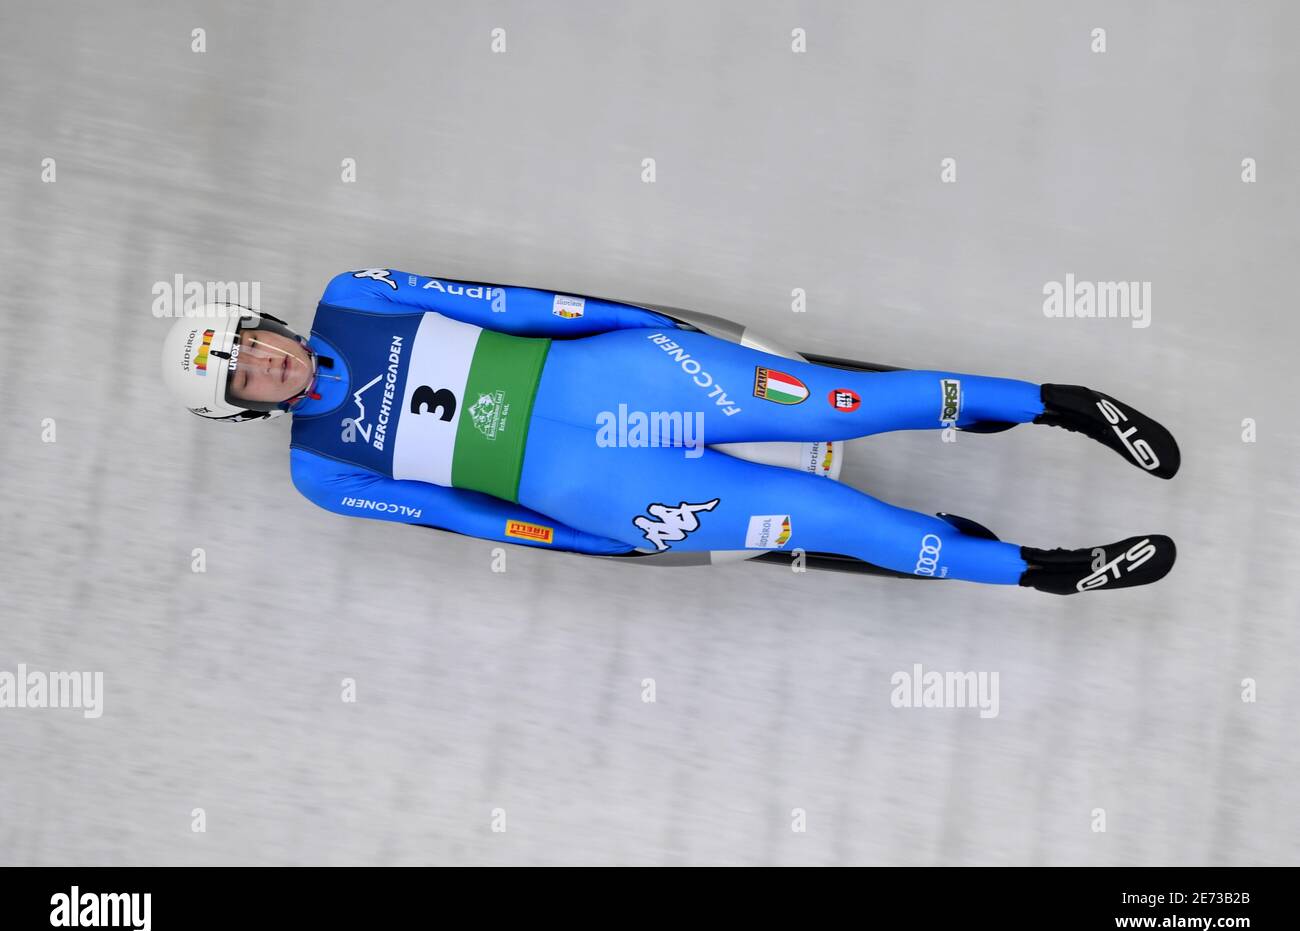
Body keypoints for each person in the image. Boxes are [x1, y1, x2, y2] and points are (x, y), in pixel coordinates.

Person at [160, 269, 1180, 594]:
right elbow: (465, 516)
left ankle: (1062, 401)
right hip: (590, 491)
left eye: (254, 344)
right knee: (831, 518)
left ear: (267, 325)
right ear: (247, 409)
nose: (269, 365)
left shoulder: (355, 294)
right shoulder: (322, 470)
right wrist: (587, 542)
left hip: (617, 373)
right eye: (249, 381)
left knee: (840, 402)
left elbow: (507, 304)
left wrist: (637, 322)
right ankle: (1046, 571)